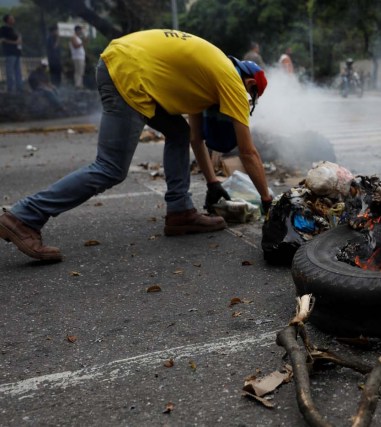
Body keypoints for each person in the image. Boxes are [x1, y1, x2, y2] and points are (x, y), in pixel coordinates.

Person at [0, 29, 272, 262]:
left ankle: (180, 212)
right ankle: (23, 217)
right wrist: (268, 202)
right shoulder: (232, 83)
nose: (245, 101)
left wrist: (213, 184)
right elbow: (248, 152)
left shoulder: (212, 73)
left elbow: (193, 138)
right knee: (110, 168)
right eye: (250, 96)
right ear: (249, 84)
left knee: (177, 131)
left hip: (125, 60)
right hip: (127, 70)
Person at [0, 14, 23, 93]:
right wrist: (15, 42)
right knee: (10, 72)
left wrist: (19, 39)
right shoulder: (3, 29)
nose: (13, 20)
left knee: (18, 72)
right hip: (10, 53)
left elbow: (19, 39)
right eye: (11, 18)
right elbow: (2, 40)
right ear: (7, 20)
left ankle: (19, 89)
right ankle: (11, 89)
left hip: (17, 52)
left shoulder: (14, 30)